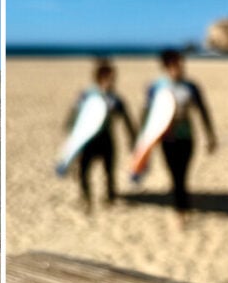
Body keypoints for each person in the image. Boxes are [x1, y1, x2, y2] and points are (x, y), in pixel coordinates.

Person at [147, 49, 217, 223]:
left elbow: (203, 111)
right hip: (166, 137)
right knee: (174, 173)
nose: (179, 68)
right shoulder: (156, 87)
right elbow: (148, 114)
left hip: (186, 137)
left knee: (183, 174)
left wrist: (210, 136)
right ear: (166, 67)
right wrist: (145, 140)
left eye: (180, 64)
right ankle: (181, 207)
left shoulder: (191, 87)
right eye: (174, 65)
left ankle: (182, 208)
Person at [68, 59, 136, 211]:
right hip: (88, 139)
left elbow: (126, 118)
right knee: (84, 171)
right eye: (109, 78)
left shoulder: (115, 99)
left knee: (109, 170)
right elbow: (73, 117)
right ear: (100, 78)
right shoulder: (86, 96)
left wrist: (132, 137)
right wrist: (73, 137)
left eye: (113, 79)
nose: (112, 82)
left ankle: (110, 198)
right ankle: (86, 198)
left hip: (106, 138)